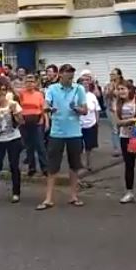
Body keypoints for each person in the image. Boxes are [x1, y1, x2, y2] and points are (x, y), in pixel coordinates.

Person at [36, 64, 88, 210]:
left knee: (74, 166)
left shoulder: (79, 89)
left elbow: (85, 110)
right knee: (53, 166)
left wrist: (76, 108)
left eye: (72, 77)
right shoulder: (52, 89)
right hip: (57, 132)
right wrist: (49, 108)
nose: (70, 79)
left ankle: (73, 196)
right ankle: (48, 198)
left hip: (74, 133)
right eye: (68, 76)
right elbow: (46, 105)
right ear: (60, 75)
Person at [0, 82, 24, 203]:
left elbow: (21, 122)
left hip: (13, 138)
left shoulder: (13, 103)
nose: (1, 93)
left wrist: (16, 114)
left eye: (4, 90)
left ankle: (16, 193)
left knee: (14, 166)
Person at [18, 74, 48, 176]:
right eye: (27, 81)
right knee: (28, 146)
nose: (29, 84)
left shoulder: (39, 94)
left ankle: (45, 168)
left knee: (40, 145)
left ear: (35, 83)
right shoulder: (21, 93)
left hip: (37, 121)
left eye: (32, 81)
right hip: (24, 122)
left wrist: (45, 121)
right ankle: (32, 167)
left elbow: (43, 108)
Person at [80, 75, 101, 172]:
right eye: (83, 84)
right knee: (79, 146)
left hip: (91, 124)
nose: (85, 86)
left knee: (89, 146)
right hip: (79, 125)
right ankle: (79, 163)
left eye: (87, 84)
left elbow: (97, 110)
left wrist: (97, 122)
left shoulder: (92, 96)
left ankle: (89, 163)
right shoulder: (76, 96)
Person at [104, 68, 124, 158]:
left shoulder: (123, 85)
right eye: (111, 74)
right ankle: (117, 149)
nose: (111, 76)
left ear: (119, 75)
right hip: (111, 110)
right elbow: (106, 96)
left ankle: (125, 147)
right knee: (115, 129)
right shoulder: (108, 85)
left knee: (124, 129)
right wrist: (111, 89)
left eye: (114, 74)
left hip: (123, 110)